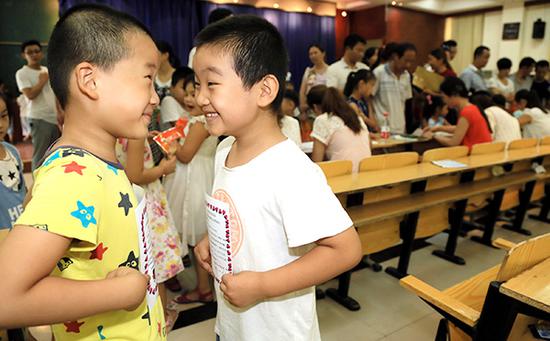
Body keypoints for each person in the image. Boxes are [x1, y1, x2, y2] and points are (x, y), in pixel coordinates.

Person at [0, 5, 166, 339]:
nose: (155, 99)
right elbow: (5, 297)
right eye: (147, 79)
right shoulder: (74, 177)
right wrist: (120, 294)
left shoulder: (89, 164)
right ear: (90, 80)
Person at [192, 15, 362, 340]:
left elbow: (345, 249)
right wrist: (212, 239)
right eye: (198, 85)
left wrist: (262, 285)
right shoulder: (223, 149)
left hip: (277, 331)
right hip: (232, 324)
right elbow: (245, 218)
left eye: (211, 84)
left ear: (264, 90)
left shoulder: (290, 170)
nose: (200, 98)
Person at [115, 135, 183, 331]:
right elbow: (135, 175)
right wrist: (164, 169)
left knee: (146, 262)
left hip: (131, 199)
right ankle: (161, 319)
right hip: (147, 200)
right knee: (156, 268)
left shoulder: (117, 130)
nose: (154, 102)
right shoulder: (134, 136)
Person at [166, 73, 218, 305]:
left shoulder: (201, 124)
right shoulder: (188, 120)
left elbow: (186, 155)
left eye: (193, 93)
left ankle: (204, 288)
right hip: (186, 180)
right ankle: (202, 285)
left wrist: (173, 143)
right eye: (186, 93)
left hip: (196, 181)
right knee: (192, 235)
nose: (189, 98)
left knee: (197, 236)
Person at [15, 40, 60, 170]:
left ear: (42, 54)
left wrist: (60, 112)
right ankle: (37, 186)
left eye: (37, 51)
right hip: (39, 118)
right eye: (29, 52)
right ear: (24, 55)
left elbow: (54, 94)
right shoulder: (22, 73)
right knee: (40, 155)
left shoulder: (46, 70)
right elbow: (29, 95)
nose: (34, 55)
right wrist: (41, 81)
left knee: (53, 154)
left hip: (54, 118)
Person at [311, 87, 372, 172]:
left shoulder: (322, 120)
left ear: (319, 106)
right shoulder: (357, 119)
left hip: (342, 175)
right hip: (366, 174)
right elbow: (369, 146)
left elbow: (317, 160)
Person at [424, 77, 492, 149]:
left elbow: (453, 143)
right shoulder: (472, 108)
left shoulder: (466, 112)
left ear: (454, 95)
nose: (444, 101)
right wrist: (438, 128)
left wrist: (433, 136)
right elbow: (460, 128)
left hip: (475, 154)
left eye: (444, 97)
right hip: (483, 151)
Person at [373, 42, 416, 134]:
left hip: (400, 127)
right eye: (406, 60)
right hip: (382, 127)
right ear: (395, 57)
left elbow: (407, 100)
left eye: (411, 62)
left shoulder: (406, 76)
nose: (408, 65)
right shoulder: (379, 72)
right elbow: (369, 97)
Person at [0, 94, 26, 241]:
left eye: (3, 116)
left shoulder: (13, 152)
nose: (0, 124)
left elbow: (24, 192)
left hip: (21, 233)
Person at [159, 66, 193, 131]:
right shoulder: (168, 101)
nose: (187, 91)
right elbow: (180, 131)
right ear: (172, 88)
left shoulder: (192, 106)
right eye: (183, 88)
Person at [298, 44, 328, 113]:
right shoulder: (308, 71)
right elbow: (302, 92)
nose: (313, 56)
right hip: (310, 108)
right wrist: (303, 109)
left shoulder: (331, 70)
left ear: (323, 54)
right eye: (311, 54)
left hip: (326, 106)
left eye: (315, 53)